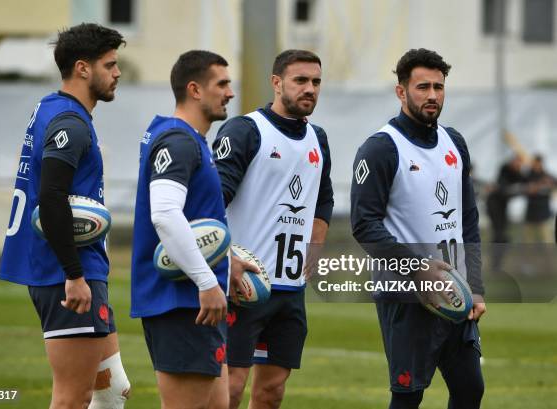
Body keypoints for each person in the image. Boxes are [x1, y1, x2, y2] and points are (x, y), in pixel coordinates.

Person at [0, 23, 130, 409]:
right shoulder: (70, 124)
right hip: (67, 273)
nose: (117, 72)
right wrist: (74, 274)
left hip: (75, 268)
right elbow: (51, 198)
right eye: (110, 64)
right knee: (73, 398)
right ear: (83, 68)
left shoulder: (51, 108)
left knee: (112, 388)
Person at [350, 48, 486, 409]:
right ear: (401, 92)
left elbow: (468, 218)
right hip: (406, 294)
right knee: (408, 397)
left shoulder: (454, 142)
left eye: (439, 87)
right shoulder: (381, 148)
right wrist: (418, 267)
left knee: (471, 389)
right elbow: (364, 225)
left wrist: (475, 286)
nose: (432, 95)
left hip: (454, 289)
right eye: (423, 86)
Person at [130, 50, 256, 409]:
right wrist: (205, 281)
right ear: (195, 90)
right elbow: (166, 215)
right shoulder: (179, 140)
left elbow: (196, 217)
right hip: (184, 302)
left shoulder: (185, 138)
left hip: (195, 302)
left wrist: (226, 261)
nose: (230, 93)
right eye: (222, 84)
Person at [213, 49, 334, 409]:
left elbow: (323, 199)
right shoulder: (245, 130)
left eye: (315, 82)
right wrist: (225, 256)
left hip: (289, 290)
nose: (309, 88)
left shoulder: (319, 138)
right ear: (277, 83)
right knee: (230, 388)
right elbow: (214, 198)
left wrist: (315, 244)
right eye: (300, 81)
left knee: (272, 392)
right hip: (243, 284)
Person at [524, 154, 555, 243]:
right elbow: (523, 188)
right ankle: (529, 255)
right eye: (535, 163)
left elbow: (553, 184)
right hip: (531, 211)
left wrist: (548, 184)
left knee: (547, 238)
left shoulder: (547, 176)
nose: (537, 165)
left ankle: (550, 256)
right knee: (528, 239)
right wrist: (531, 189)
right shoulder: (528, 176)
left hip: (543, 211)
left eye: (539, 163)